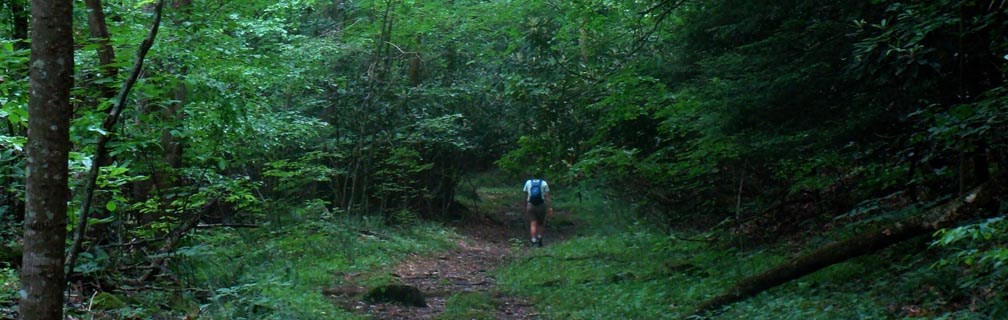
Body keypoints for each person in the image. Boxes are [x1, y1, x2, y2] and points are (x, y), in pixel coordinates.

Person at [523, 176, 553, 247]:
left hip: (530, 204)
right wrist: (549, 207)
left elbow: (525, 195)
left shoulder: (528, 182)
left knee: (533, 223)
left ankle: (533, 240)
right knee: (541, 223)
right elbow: (546, 196)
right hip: (541, 205)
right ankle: (539, 238)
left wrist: (525, 205)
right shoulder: (544, 183)